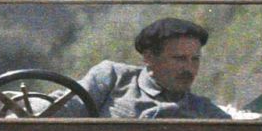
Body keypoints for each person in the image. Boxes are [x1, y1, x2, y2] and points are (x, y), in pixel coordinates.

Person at [78, 17, 231, 120]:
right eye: (179, 58)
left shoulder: (206, 113)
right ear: (149, 58)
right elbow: (62, 110)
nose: (189, 68)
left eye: (195, 59)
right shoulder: (113, 79)